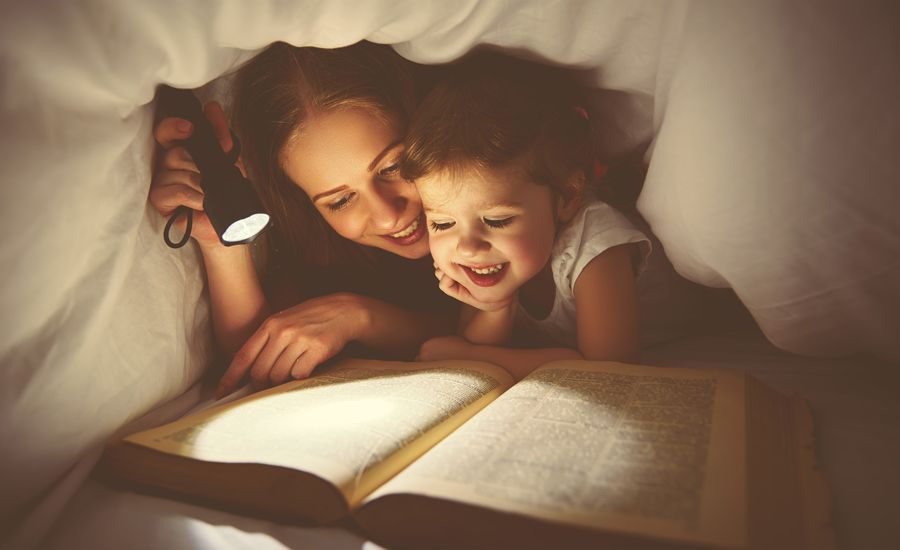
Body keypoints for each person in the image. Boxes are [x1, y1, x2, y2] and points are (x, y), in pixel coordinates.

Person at [149, 42, 455, 397]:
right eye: (340, 201)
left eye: (393, 167)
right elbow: (258, 356)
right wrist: (219, 237)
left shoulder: (503, 183)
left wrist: (360, 317)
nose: (388, 217)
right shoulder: (321, 253)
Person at [404, 53, 652, 380]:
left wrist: (471, 357)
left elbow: (611, 369)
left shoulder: (595, 245)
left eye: (496, 221)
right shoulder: (486, 262)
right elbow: (474, 339)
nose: (467, 247)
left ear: (566, 196)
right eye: (442, 224)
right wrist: (496, 304)